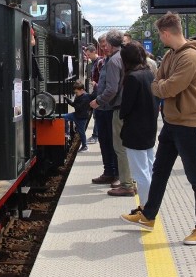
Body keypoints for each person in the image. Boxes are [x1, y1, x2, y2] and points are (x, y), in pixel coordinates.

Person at [121, 12, 196, 245]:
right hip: (172, 123)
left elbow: (169, 87)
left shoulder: (190, 56)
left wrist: (161, 85)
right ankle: (149, 215)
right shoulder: (172, 55)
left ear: (166, 33)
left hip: (189, 124)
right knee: (159, 171)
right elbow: (156, 81)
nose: (160, 40)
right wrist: (161, 85)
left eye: (161, 36)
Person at [90, 30, 134, 196]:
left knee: (116, 145)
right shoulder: (109, 59)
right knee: (106, 142)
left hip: (110, 107)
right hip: (105, 108)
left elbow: (112, 88)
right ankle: (110, 173)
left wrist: (98, 100)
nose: (103, 47)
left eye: (105, 44)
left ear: (110, 43)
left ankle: (120, 178)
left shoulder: (115, 60)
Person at [119, 42, 158, 210]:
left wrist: (122, 116)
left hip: (135, 130)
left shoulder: (132, 77)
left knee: (140, 173)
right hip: (149, 127)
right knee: (149, 168)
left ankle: (145, 208)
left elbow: (126, 107)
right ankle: (151, 205)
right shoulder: (148, 73)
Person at [64, 82, 93, 152]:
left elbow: (77, 106)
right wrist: (67, 99)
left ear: (82, 90)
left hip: (82, 118)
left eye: (76, 92)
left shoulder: (86, 97)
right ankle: (67, 133)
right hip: (76, 115)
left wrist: (70, 101)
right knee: (64, 117)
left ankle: (85, 146)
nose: (76, 94)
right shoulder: (79, 96)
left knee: (81, 132)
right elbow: (74, 104)